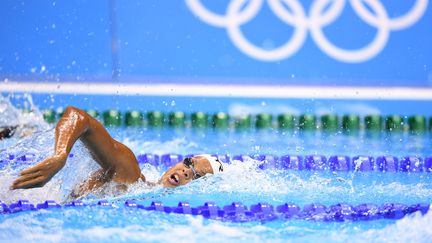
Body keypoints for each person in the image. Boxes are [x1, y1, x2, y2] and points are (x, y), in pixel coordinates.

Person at [10, 106, 224, 197]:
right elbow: (78, 116)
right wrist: (60, 155)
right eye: (189, 163)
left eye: (196, 177)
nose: (187, 172)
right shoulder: (130, 174)